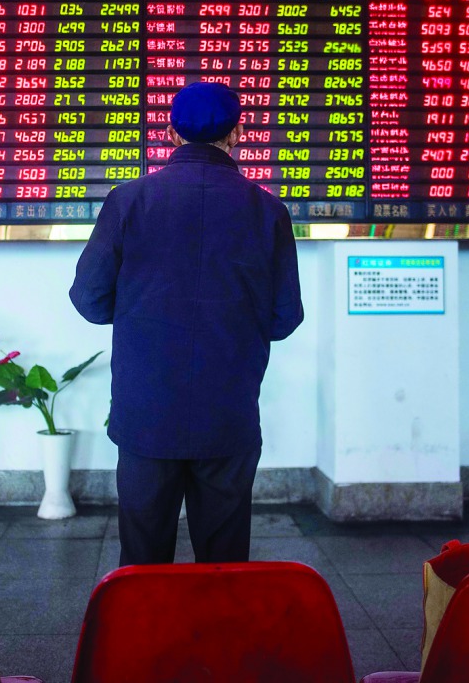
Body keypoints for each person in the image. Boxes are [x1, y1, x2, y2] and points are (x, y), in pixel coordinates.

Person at [69, 81, 304, 565]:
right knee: (223, 563)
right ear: (239, 132)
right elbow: (285, 317)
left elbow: (90, 300)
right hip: (228, 414)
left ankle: (143, 639)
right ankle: (215, 638)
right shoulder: (269, 211)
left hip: (145, 412)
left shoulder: (128, 201)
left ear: (171, 132)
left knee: (142, 560)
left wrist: (144, 314)